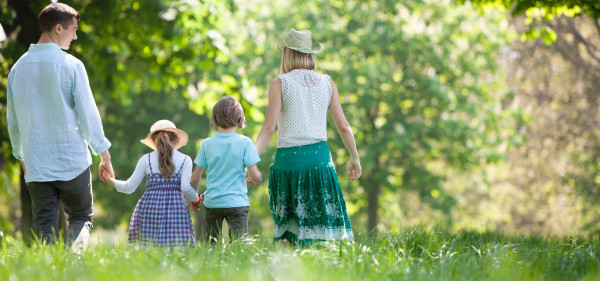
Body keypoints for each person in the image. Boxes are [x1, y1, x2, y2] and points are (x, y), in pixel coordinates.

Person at [6, 3, 113, 249]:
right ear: (58, 28)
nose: (75, 36)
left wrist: (23, 159)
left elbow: (13, 122)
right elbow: (88, 115)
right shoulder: (72, 65)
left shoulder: (16, 70)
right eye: (73, 30)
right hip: (71, 161)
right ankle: (72, 261)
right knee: (80, 217)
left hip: (37, 164)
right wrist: (104, 155)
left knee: (44, 227)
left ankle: (49, 272)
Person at [252, 28, 361, 246]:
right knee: (323, 230)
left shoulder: (279, 82)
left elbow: (268, 129)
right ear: (310, 54)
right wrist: (354, 157)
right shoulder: (327, 82)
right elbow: (343, 126)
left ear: (287, 54)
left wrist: (250, 160)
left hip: (289, 162)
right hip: (319, 161)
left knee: (290, 235)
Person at [102, 120, 200, 247]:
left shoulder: (146, 159)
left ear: (153, 141)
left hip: (150, 209)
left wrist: (110, 180)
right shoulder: (185, 159)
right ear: (176, 138)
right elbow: (186, 187)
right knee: (177, 248)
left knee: (149, 250)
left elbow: (129, 187)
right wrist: (196, 200)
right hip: (176, 210)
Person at [191, 96, 262, 242]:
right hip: (237, 203)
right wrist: (256, 180)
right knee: (239, 244)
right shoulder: (245, 143)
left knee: (211, 244)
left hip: (213, 203)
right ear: (239, 119)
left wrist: (195, 198)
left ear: (215, 118)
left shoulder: (207, 144)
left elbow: (195, 177)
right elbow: (255, 175)